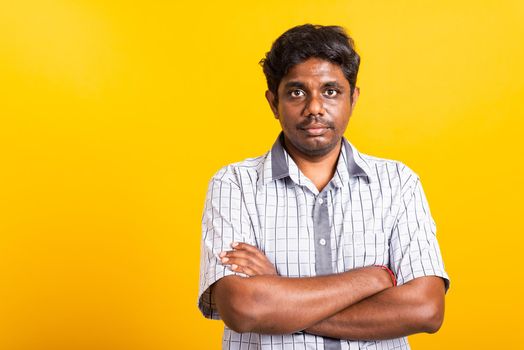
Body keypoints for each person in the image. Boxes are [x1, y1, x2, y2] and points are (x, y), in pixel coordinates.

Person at [198, 24, 450, 350]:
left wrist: (278, 294)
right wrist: (372, 279)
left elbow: (425, 310)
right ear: (273, 102)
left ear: (353, 98)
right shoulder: (234, 185)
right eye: (297, 92)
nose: (315, 107)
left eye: (330, 91)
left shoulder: (399, 183)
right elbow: (245, 309)